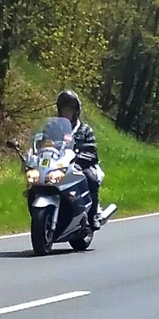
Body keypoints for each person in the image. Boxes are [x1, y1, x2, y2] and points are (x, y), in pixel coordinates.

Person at [56, 90, 103, 230]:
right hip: (57, 165)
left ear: (76, 111)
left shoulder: (84, 129)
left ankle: (92, 215)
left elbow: (92, 151)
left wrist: (81, 157)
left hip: (79, 165)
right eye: (64, 110)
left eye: (69, 110)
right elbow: (43, 141)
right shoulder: (54, 127)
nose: (66, 113)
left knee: (91, 179)